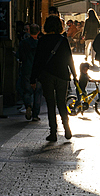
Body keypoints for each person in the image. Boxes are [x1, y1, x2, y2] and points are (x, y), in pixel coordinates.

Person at [30, 14, 77, 143]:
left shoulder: (43, 40)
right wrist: (74, 74)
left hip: (47, 76)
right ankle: (67, 128)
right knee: (62, 102)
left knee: (51, 104)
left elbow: (37, 61)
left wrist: (32, 78)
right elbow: (69, 58)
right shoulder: (63, 40)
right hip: (62, 75)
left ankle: (53, 132)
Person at [18, 23, 42, 120]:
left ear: (29, 31)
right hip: (38, 70)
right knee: (38, 92)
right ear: (39, 32)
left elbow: (20, 56)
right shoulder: (41, 43)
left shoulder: (23, 43)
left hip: (26, 69)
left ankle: (28, 105)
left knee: (27, 91)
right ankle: (35, 115)